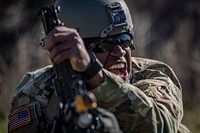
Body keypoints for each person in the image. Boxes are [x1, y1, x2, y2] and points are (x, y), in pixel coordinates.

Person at [8, 0, 190, 132]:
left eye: (124, 40)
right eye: (105, 44)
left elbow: (160, 126)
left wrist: (92, 70)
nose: (120, 52)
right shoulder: (37, 92)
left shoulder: (153, 75)